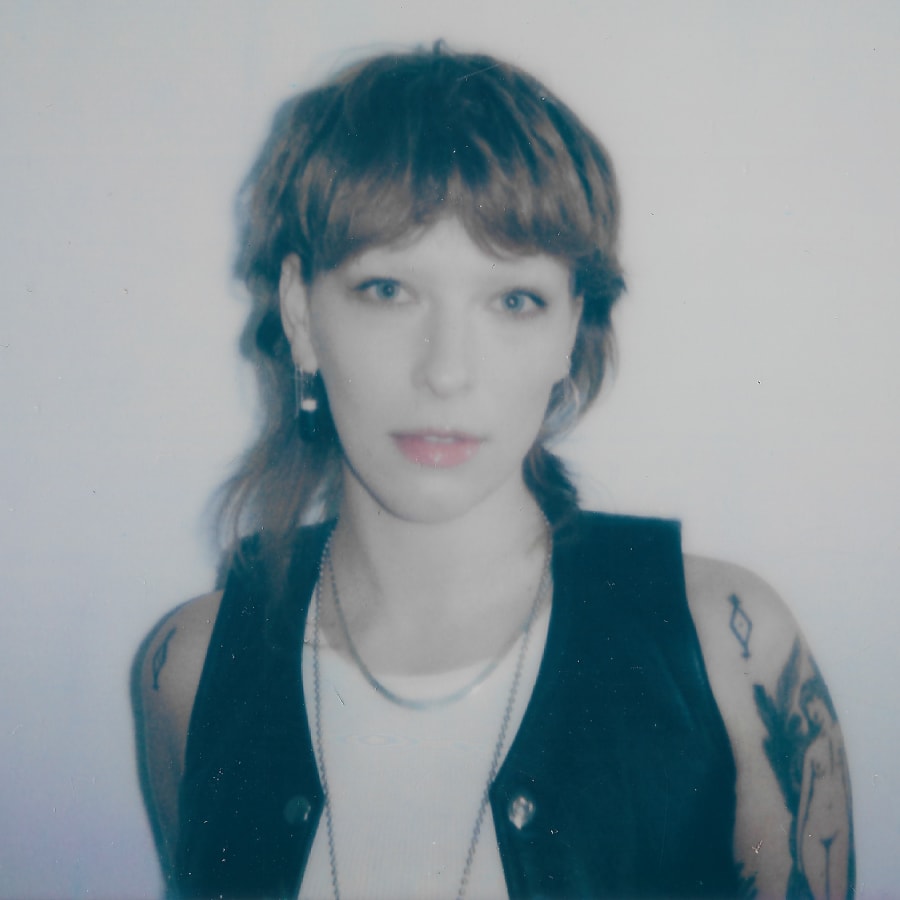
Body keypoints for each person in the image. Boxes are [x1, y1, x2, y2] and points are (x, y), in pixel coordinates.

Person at [133, 44, 855, 899]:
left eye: (514, 300)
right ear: (299, 313)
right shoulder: (190, 670)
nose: (447, 372)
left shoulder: (731, 650)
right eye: (387, 290)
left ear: (569, 328)